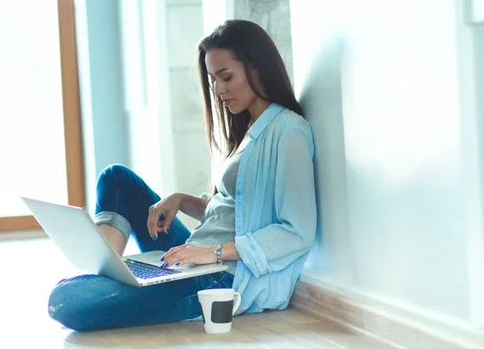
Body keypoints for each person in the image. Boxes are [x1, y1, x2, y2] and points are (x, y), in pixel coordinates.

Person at [48, 19, 317, 332]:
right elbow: (237, 212)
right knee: (116, 177)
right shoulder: (249, 129)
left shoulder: (288, 131)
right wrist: (180, 200)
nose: (217, 90)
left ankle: (114, 282)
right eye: (213, 79)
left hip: (224, 278)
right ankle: (110, 271)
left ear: (256, 68)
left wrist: (212, 253)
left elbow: (297, 231)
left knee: (66, 300)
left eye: (226, 77)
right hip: (199, 257)